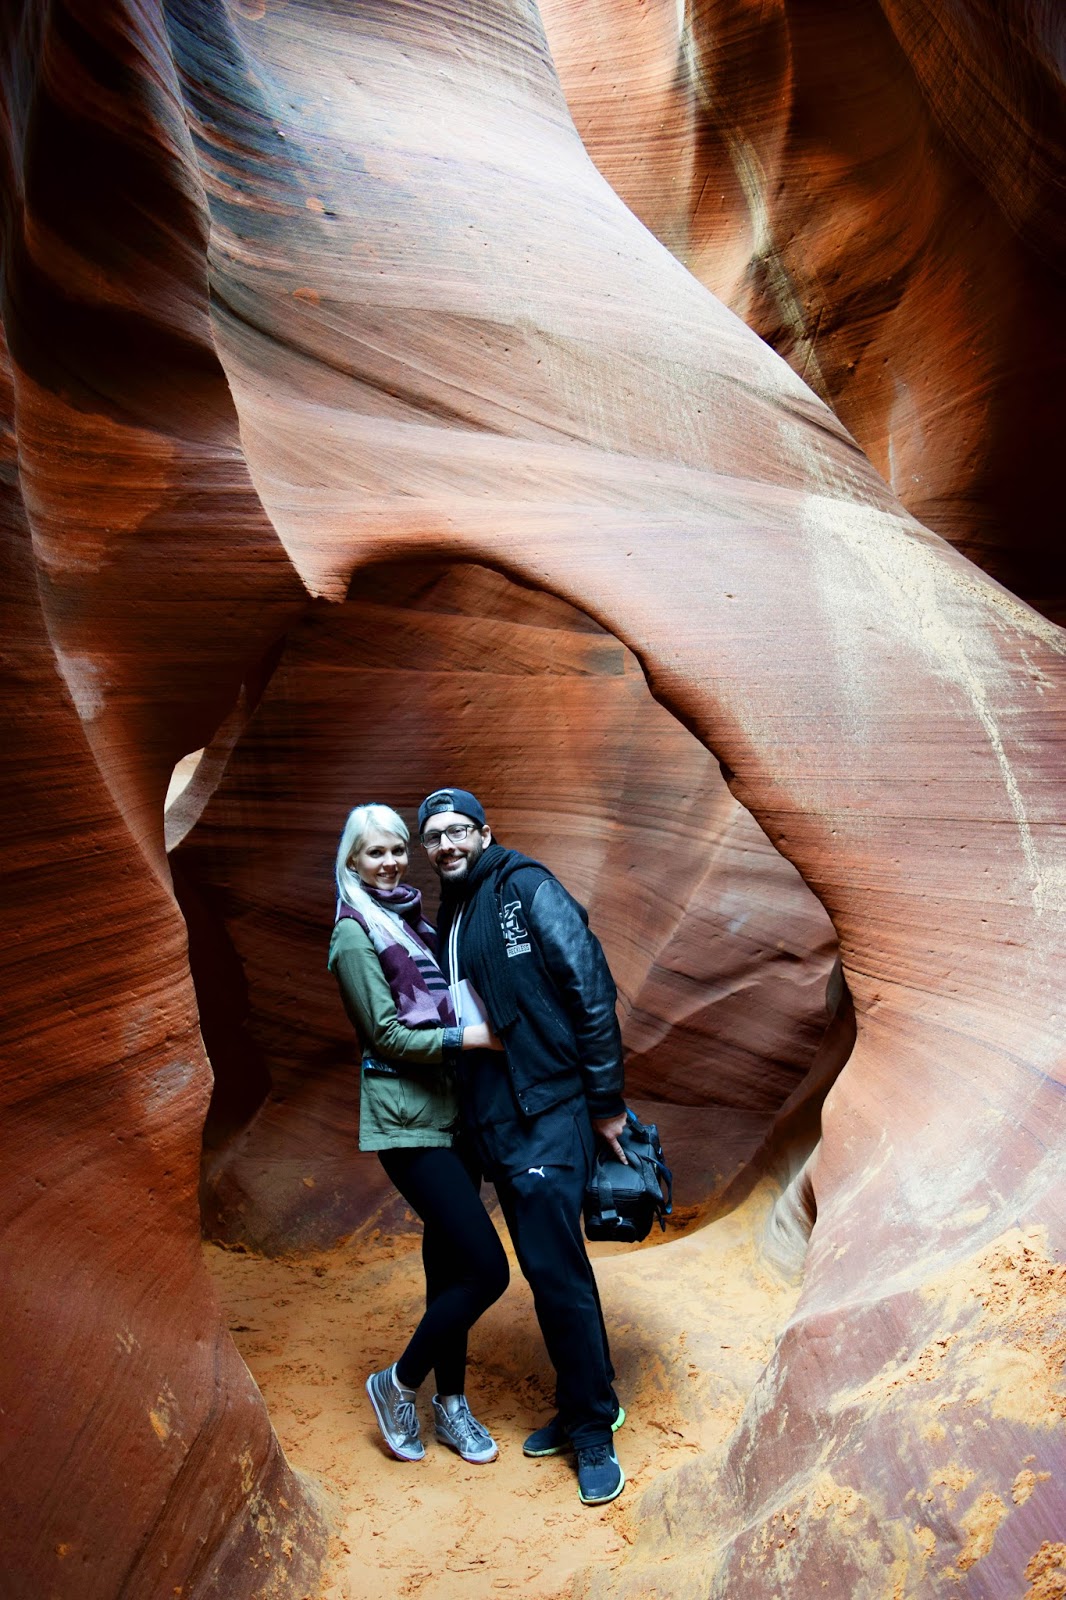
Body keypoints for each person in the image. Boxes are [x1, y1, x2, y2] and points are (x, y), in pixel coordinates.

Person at [417, 785, 628, 1506]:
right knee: (547, 1270)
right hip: (492, 1116)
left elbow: (590, 988)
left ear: (484, 831)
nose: (446, 844)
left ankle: (594, 1426)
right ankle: (583, 1401)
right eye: (434, 836)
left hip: (547, 1106)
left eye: (457, 831)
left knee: (553, 1269)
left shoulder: (525, 888)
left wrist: (605, 1104)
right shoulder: (455, 910)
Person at [328, 803, 510, 1466]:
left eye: (397, 850)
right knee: (488, 1271)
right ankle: (397, 1382)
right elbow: (384, 1034)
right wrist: (472, 1037)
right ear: (352, 861)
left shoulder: (411, 921)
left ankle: (451, 1406)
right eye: (375, 853)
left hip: (452, 1113)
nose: (390, 862)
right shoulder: (355, 935)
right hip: (408, 1122)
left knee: (452, 1268)